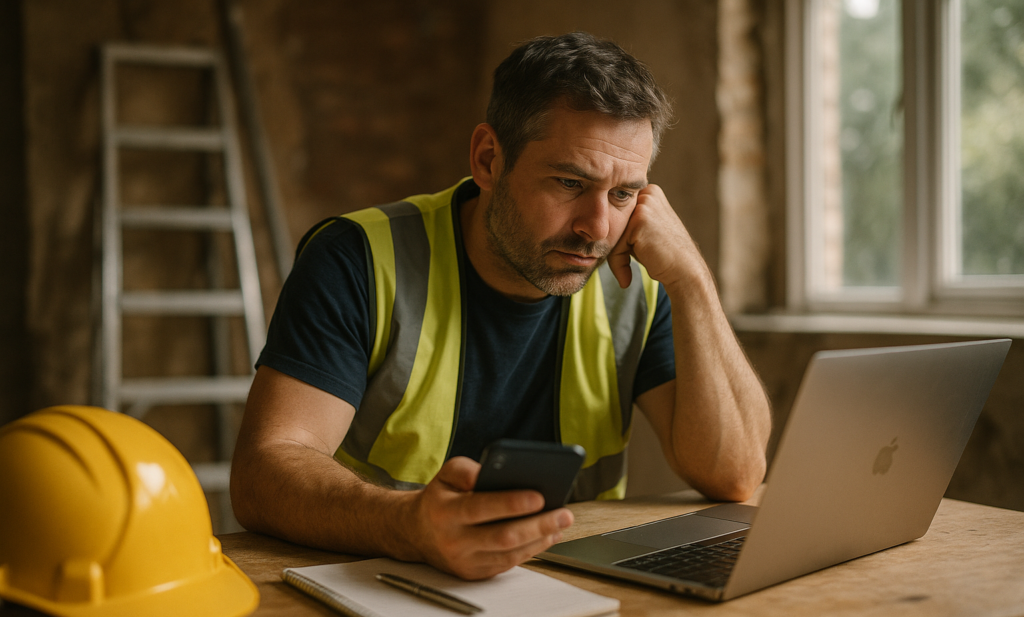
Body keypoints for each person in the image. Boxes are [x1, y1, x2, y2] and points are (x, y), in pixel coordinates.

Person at [230, 32, 771, 580]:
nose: (597, 228)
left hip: (575, 593)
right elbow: (263, 471)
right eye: (569, 182)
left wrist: (693, 280)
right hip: (380, 580)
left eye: (623, 193)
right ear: (489, 159)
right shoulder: (359, 258)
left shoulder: (642, 281)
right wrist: (406, 525)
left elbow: (735, 476)